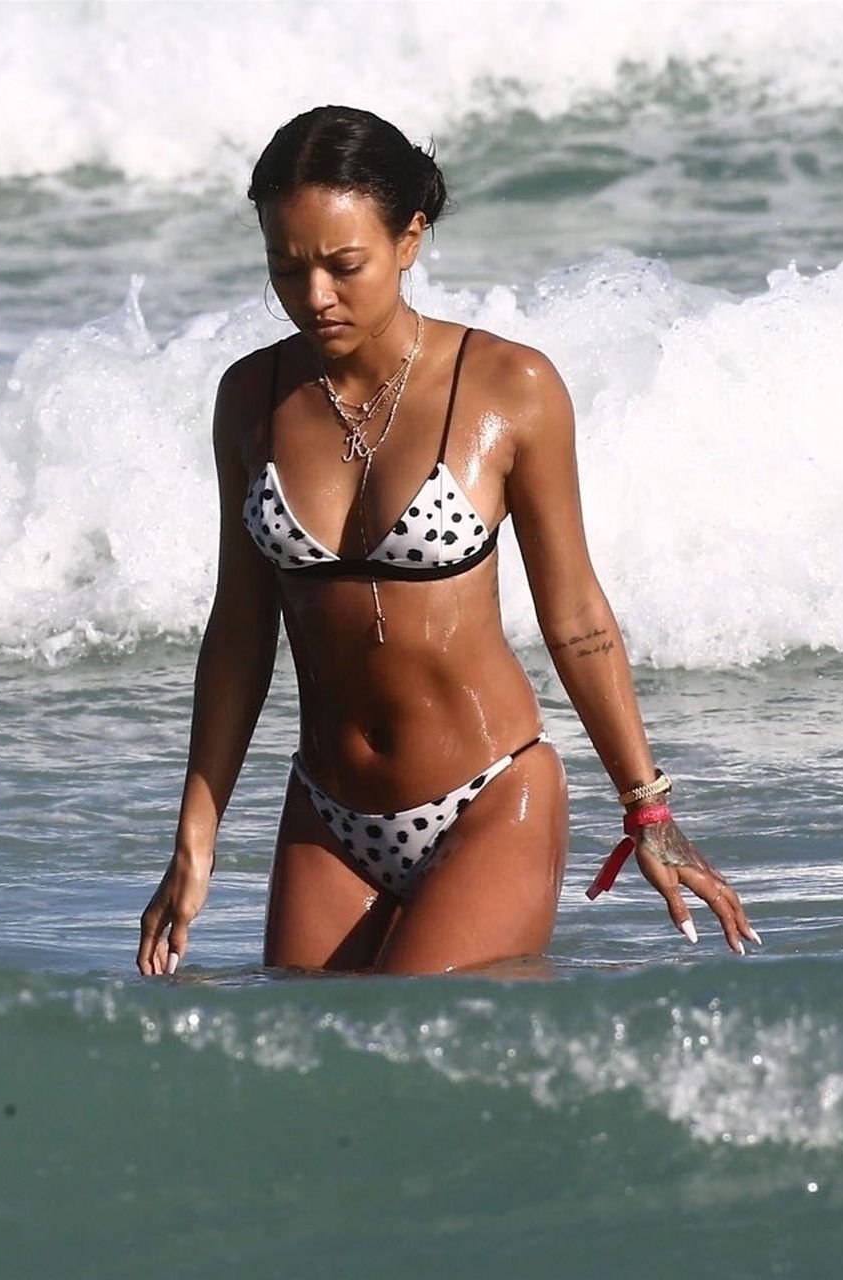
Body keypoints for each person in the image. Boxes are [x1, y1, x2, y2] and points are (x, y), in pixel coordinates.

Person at [137, 105, 756, 976]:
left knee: (417, 1035)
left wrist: (647, 809)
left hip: (491, 797)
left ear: (410, 238)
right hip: (326, 815)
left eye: (344, 265)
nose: (315, 296)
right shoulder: (251, 398)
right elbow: (239, 631)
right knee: (307, 1052)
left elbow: (576, 615)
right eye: (286, 268)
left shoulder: (511, 386)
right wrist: (195, 839)